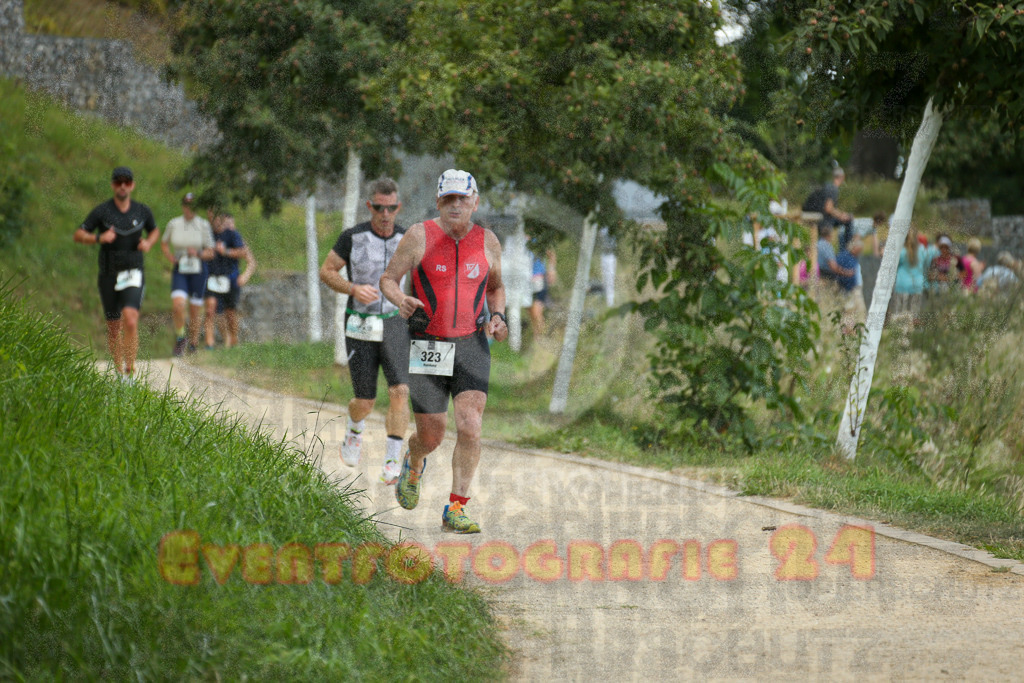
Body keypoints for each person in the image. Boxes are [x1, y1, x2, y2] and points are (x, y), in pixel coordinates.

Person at [379, 169, 508, 534]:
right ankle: (415, 457)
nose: (455, 205)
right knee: (432, 435)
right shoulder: (419, 235)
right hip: (428, 344)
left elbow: (497, 287)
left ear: (475, 201)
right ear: (438, 201)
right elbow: (387, 278)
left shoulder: (488, 241)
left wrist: (498, 317)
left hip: (471, 343)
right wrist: (400, 298)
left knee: (470, 425)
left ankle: (456, 507)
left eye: (462, 199)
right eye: (448, 199)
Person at [320, 177, 411, 485]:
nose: (385, 214)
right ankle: (354, 430)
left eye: (391, 208)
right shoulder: (353, 236)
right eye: (379, 208)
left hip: (396, 323)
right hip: (360, 323)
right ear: (369, 206)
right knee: (366, 400)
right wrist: (353, 288)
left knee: (400, 391)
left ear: (399, 207)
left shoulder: (409, 239)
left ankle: (392, 459)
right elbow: (327, 271)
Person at [74, 166, 160, 382]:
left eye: (127, 182)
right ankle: (118, 373)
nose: (123, 186)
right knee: (114, 327)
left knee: (131, 319)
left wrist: (148, 242)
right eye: (119, 182)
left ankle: (130, 372)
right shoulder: (103, 211)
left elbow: (155, 230)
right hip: (109, 274)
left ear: (132, 185)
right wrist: (97, 239)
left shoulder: (142, 211)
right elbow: (78, 234)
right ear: (113, 185)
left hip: (133, 272)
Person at [161, 192, 214, 356]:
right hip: (181, 269)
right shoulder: (174, 223)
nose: (189, 209)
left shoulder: (203, 224)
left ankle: (193, 343)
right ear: (183, 206)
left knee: (194, 309)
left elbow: (211, 252)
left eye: (193, 206)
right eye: (186, 205)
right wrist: (171, 257)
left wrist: (198, 253)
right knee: (178, 305)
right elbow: (164, 243)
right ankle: (180, 337)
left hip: (198, 269)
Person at [204, 213, 255, 349]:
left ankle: (233, 339)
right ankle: (222, 340)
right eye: (227, 224)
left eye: (231, 224)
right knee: (214, 310)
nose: (229, 226)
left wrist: (245, 276)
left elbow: (250, 261)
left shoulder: (236, 238)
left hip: (231, 279)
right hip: (215, 278)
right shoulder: (212, 235)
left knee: (230, 312)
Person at [803, 167, 853, 247]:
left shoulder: (827, 186)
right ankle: (847, 249)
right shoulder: (833, 189)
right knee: (849, 219)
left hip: (819, 216)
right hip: (824, 220)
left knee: (847, 218)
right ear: (842, 177)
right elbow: (828, 208)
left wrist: (840, 214)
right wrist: (841, 216)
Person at [890, 226, 927, 322]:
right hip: (917, 286)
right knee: (913, 318)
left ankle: (900, 335)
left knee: (899, 316)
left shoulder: (901, 251)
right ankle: (911, 335)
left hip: (902, 286)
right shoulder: (922, 249)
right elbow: (925, 265)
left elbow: (893, 267)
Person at [835, 237, 866, 334]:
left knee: (859, 310)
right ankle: (848, 331)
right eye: (859, 249)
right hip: (850, 289)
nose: (860, 251)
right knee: (849, 311)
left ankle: (856, 331)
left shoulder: (854, 258)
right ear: (854, 248)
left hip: (856, 288)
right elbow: (840, 273)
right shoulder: (844, 257)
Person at [527, 243, 557, 335]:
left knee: (537, 310)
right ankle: (538, 339)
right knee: (531, 312)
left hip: (539, 278)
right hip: (526, 280)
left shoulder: (538, 238)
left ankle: (542, 338)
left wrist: (552, 270)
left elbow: (551, 254)